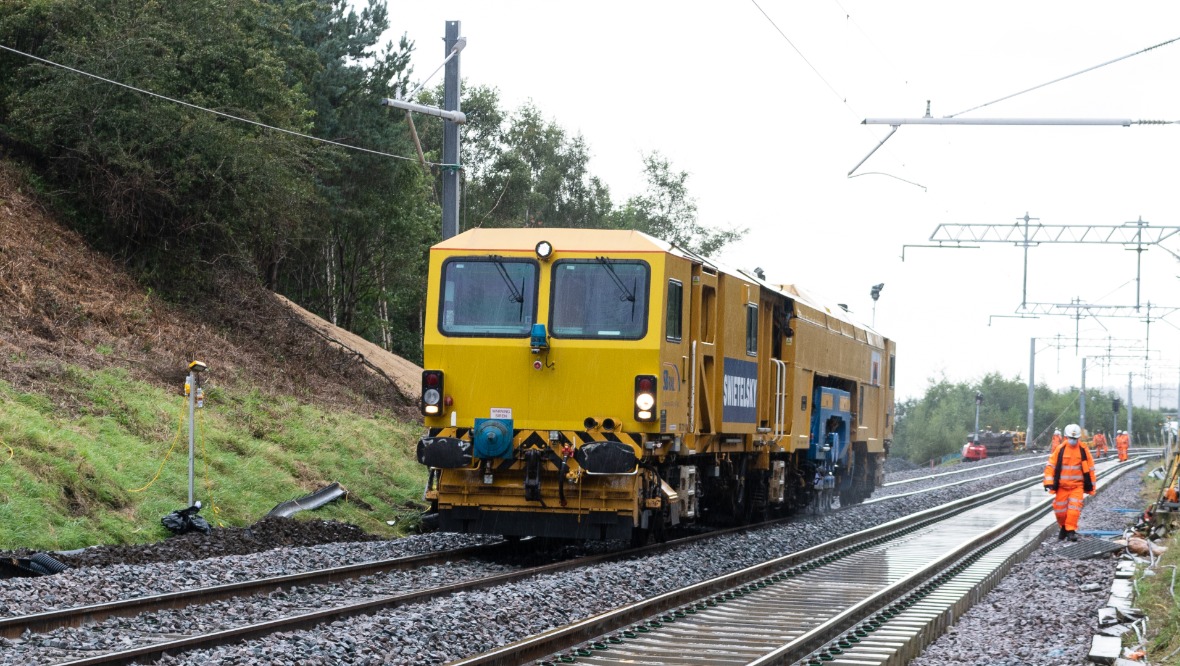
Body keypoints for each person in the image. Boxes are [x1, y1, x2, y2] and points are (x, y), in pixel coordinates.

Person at [1043, 423, 1096, 542]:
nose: (1073, 440)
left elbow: (1090, 468)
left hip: (1077, 486)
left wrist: (1091, 485)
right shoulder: (1060, 449)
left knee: (1074, 509)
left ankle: (1071, 531)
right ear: (1066, 437)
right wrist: (1048, 482)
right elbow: (1051, 466)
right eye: (1071, 438)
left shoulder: (1083, 450)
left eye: (1075, 438)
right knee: (1059, 511)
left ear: (1078, 438)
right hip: (1062, 486)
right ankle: (1064, 527)